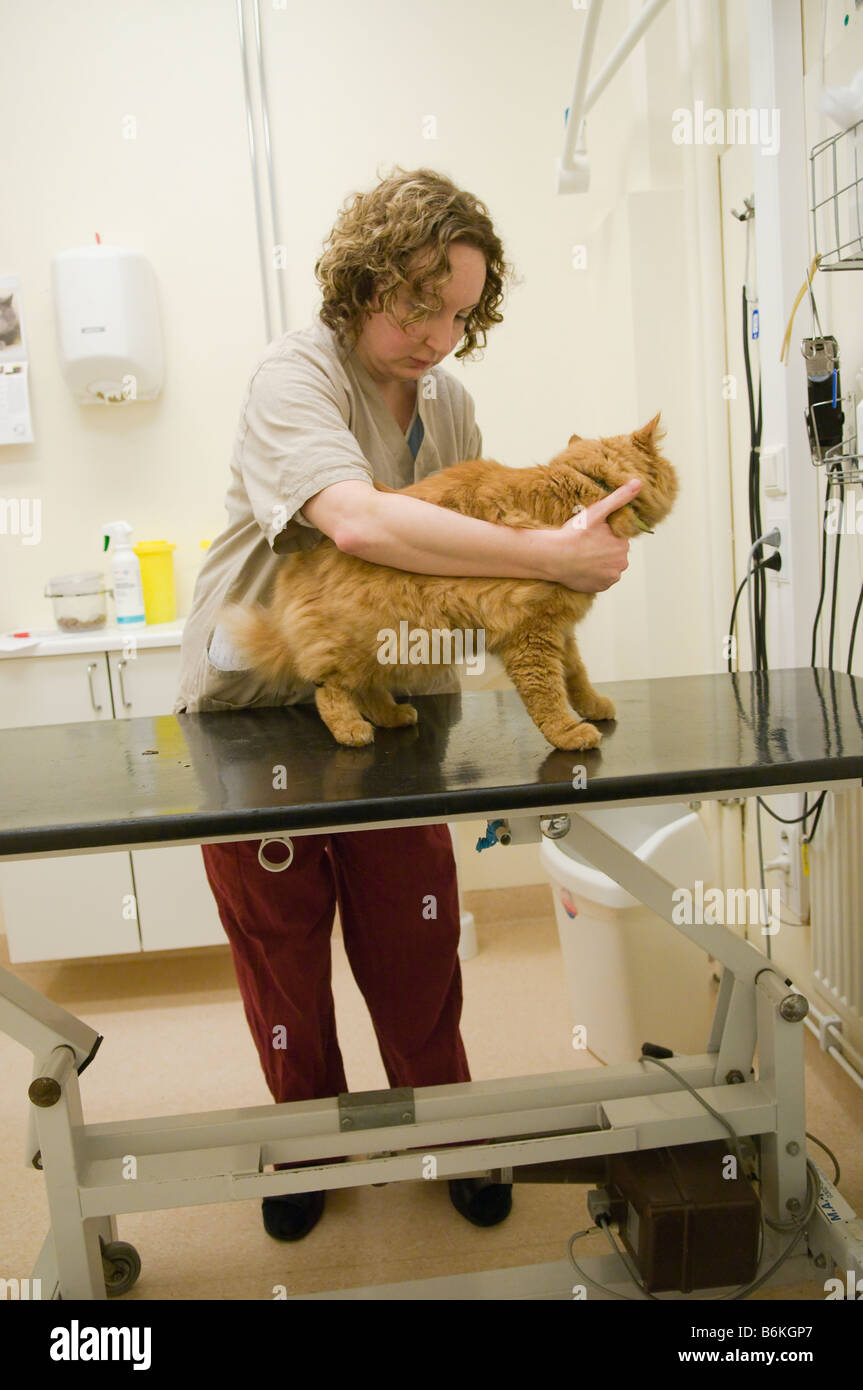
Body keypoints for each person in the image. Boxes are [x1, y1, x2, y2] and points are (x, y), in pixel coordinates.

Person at [173, 166, 639, 1241]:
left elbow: (454, 553)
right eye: (420, 303)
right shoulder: (292, 378)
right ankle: (304, 1142)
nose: (438, 336)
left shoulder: (450, 402)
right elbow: (362, 524)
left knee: (415, 933)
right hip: (257, 708)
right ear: (366, 275)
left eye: (461, 316)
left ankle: (457, 1132)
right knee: (281, 949)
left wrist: (539, 585)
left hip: (396, 694)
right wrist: (549, 554)